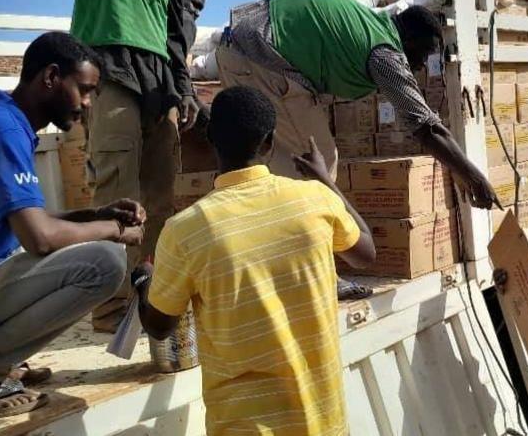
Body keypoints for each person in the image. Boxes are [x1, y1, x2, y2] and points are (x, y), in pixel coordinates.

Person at [132, 85, 374, 435]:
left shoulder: (185, 230)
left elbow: (159, 326)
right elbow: (365, 253)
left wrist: (143, 281)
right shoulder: (316, 200)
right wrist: (325, 180)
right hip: (324, 422)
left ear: (211, 140)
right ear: (269, 142)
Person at [0, 32, 146, 420]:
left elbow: (28, 217)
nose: (87, 105)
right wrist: (115, 232)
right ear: (52, 77)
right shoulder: (3, 132)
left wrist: (95, 214)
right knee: (105, 262)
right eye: (85, 90)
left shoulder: (0, 121)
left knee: (93, 246)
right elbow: (38, 237)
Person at [70, 0, 205, 331]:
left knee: (162, 196)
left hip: (157, 81)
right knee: (116, 191)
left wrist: (183, 87)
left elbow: (174, 31)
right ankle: (111, 307)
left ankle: (158, 299)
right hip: (109, 68)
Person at [217, 0, 498, 208]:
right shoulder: (385, 54)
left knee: (275, 164)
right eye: (423, 53)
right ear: (409, 39)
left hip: (239, 48)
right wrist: (474, 178)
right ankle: (319, 264)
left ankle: (272, 249)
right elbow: (427, 128)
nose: (423, 65)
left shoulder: (372, 24)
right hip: (259, 57)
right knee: (318, 165)